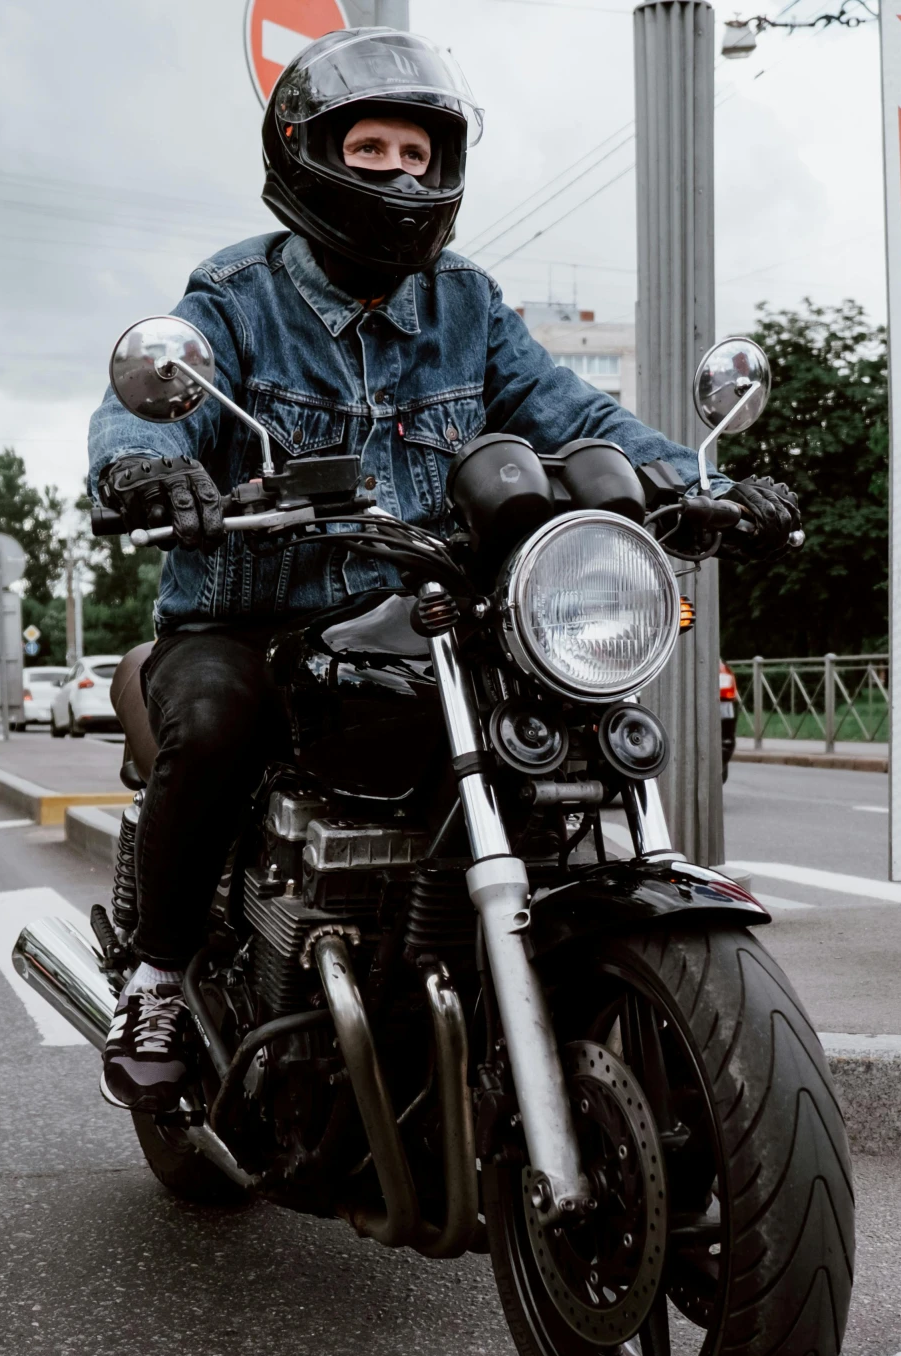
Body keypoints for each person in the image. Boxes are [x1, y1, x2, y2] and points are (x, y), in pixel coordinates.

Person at [86, 28, 798, 1110]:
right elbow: (141, 405)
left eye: (417, 154)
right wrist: (149, 471)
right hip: (246, 617)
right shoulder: (235, 296)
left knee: (552, 721)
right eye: (368, 149)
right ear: (305, 153)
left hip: (420, 608)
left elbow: (574, 413)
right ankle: (160, 976)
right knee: (219, 723)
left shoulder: (464, 303)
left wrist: (693, 482)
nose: (397, 174)